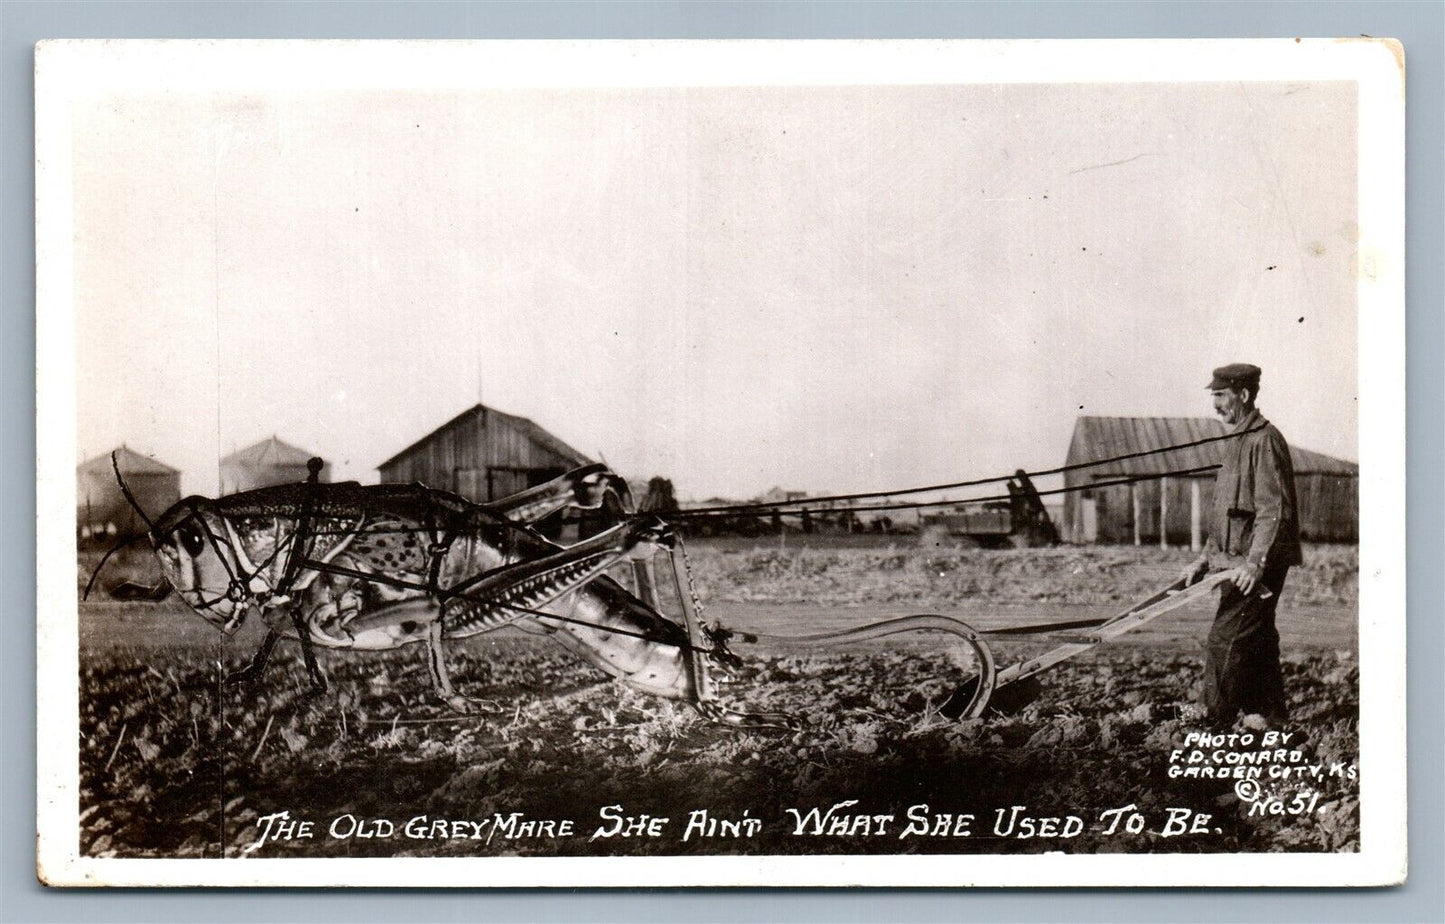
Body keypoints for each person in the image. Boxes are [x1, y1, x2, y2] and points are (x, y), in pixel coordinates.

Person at [1180, 363, 1303, 728]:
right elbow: (1225, 514)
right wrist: (1203, 559)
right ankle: (1267, 714)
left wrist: (1255, 563)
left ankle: (1211, 719)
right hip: (1235, 560)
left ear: (1244, 395)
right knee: (1257, 637)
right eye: (1213, 396)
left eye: (1220, 396)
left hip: (1253, 566)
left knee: (1226, 637)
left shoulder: (1264, 440)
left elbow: (1274, 510)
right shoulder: (1238, 440)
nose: (1215, 404)